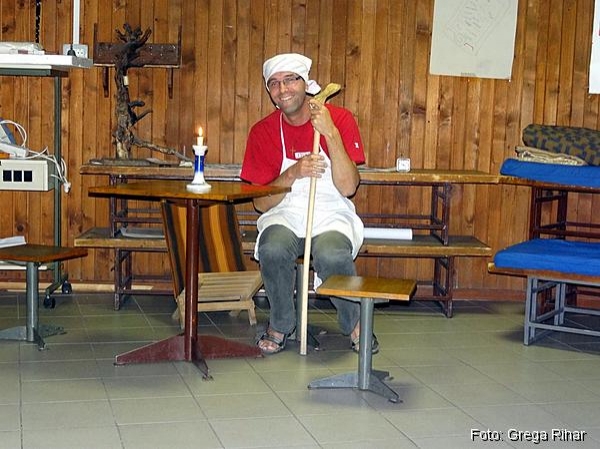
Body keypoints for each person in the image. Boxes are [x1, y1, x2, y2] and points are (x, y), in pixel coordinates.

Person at [241, 52, 377, 355]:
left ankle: (356, 324)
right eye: (274, 83)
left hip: (330, 212)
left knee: (332, 253)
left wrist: (330, 133)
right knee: (272, 248)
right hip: (285, 212)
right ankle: (280, 324)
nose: (283, 89)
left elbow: (348, 187)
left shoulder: (339, 119)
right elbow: (261, 204)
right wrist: (294, 172)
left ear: (306, 83)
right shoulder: (263, 131)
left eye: (290, 80)